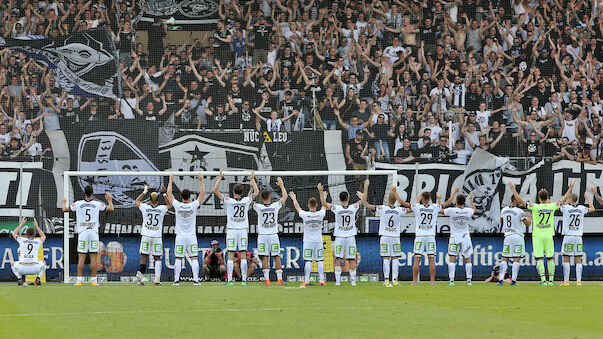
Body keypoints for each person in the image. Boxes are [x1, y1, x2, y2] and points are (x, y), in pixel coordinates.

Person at [509, 182, 573, 286]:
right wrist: (570, 188)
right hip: (548, 235)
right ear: (548, 197)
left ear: (539, 197)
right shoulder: (552, 206)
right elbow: (563, 200)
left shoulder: (535, 207)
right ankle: (551, 281)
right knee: (550, 258)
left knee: (539, 258)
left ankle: (543, 280)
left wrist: (513, 189)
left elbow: (520, 200)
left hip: (538, 235)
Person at [357, 179, 408, 287]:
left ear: (388, 199)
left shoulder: (382, 208)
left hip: (385, 236)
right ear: (395, 200)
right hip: (395, 236)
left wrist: (365, 191)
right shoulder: (400, 210)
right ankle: (395, 280)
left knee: (386, 258)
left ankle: (386, 281)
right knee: (395, 258)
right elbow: (411, 208)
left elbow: (367, 205)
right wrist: (396, 193)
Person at [213, 170, 259, 286]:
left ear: (233, 191)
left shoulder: (229, 201)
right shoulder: (245, 201)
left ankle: (229, 280)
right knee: (243, 255)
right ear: (242, 192)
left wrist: (220, 177)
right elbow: (256, 192)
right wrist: (252, 180)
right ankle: (244, 280)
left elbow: (215, 191)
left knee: (230, 255)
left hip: (232, 231)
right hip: (243, 231)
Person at [62, 185, 114, 286]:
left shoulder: (78, 203)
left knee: (81, 257)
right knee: (93, 258)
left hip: (83, 232)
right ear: (92, 194)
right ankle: (94, 280)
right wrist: (109, 200)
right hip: (93, 232)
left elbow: (65, 210)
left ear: (84, 193)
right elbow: (111, 209)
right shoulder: (97, 204)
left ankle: (79, 281)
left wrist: (63, 203)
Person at [166, 173, 205, 286]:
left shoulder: (178, 205)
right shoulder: (193, 205)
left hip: (180, 236)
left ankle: (176, 281)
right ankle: (196, 281)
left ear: (181, 197)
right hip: (191, 236)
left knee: (178, 258)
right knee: (194, 258)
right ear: (190, 197)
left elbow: (169, 194)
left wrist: (170, 181)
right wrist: (201, 180)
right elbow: (202, 194)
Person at [318, 183, 360, 286]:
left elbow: (323, 203)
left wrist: (320, 191)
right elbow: (363, 201)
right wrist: (366, 188)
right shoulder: (353, 207)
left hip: (340, 237)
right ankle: (353, 282)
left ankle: (338, 282)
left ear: (339, 199)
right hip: (350, 237)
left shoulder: (336, 208)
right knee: (351, 259)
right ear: (348, 198)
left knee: (338, 258)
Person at [253, 177, 287, 286]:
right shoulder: (274, 206)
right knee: (276, 256)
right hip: (273, 235)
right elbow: (285, 197)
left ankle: (267, 280)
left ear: (261, 199)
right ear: (270, 197)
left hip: (263, 236)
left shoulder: (258, 207)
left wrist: (252, 182)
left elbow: (250, 201)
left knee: (265, 257)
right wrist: (281, 185)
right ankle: (279, 280)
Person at [289, 190, 327, 288]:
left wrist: (294, 199)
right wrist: (324, 197)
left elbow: (297, 207)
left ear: (308, 205)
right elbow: (324, 206)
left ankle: (306, 281)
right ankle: (322, 280)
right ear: (316, 205)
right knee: (320, 261)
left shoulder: (305, 215)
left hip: (308, 242)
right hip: (318, 241)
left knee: (308, 261)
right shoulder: (321, 214)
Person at [135, 185, 171, 286]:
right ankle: (157, 280)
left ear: (149, 200)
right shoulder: (161, 208)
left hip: (146, 235)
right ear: (158, 201)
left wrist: (145, 191)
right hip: (157, 237)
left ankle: (141, 279)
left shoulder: (145, 207)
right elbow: (169, 205)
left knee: (143, 257)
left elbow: (137, 201)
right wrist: (164, 194)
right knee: (157, 258)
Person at [407, 191, 444, 285]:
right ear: (430, 198)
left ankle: (414, 282)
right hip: (430, 236)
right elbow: (443, 205)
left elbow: (405, 204)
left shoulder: (417, 207)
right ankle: (432, 282)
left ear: (422, 198)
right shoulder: (435, 207)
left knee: (417, 258)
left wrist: (416, 201)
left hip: (420, 236)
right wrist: (439, 199)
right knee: (431, 259)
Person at [497, 185, 532, 286]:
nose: (521, 203)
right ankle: (513, 281)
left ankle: (500, 280)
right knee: (516, 258)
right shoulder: (519, 211)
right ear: (515, 201)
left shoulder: (504, 210)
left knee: (505, 258)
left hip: (508, 236)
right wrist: (530, 218)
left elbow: (501, 221)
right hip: (517, 236)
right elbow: (527, 224)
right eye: (519, 201)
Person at [441, 189, 477, 286]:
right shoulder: (468, 211)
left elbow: (440, 210)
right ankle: (469, 280)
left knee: (452, 258)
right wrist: (471, 200)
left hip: (454, 237)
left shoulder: (451, 211)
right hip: (465, 237)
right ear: (464, 202)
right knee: (467, 258)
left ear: (456, 202)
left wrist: (439, 199)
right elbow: (474, 210)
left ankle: (451, 280)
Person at [560, 192, 594, 286]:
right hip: (578, 237)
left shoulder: (566, 208)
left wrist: (568, 190)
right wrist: (587, 199)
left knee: (566, 258)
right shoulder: (581, 208)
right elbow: (593, 209)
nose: (566, 200)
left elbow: (559, 204)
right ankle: (578, 281)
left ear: (570, 200)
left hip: (568, 236)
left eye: (567, 199)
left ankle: (566, 281)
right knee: (578, 258)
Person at [11, 218, 46, 286]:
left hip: (22, 269)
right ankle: (38, 278)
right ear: (34, 234)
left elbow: (14, 233)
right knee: (44, 263)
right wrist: (36, 226)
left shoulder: (22, 240)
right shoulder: (38, 241)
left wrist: (22, 224)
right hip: (35, 269)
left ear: (26, 234)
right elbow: (43, 236)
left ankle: (20, 279)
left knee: (13, 264)